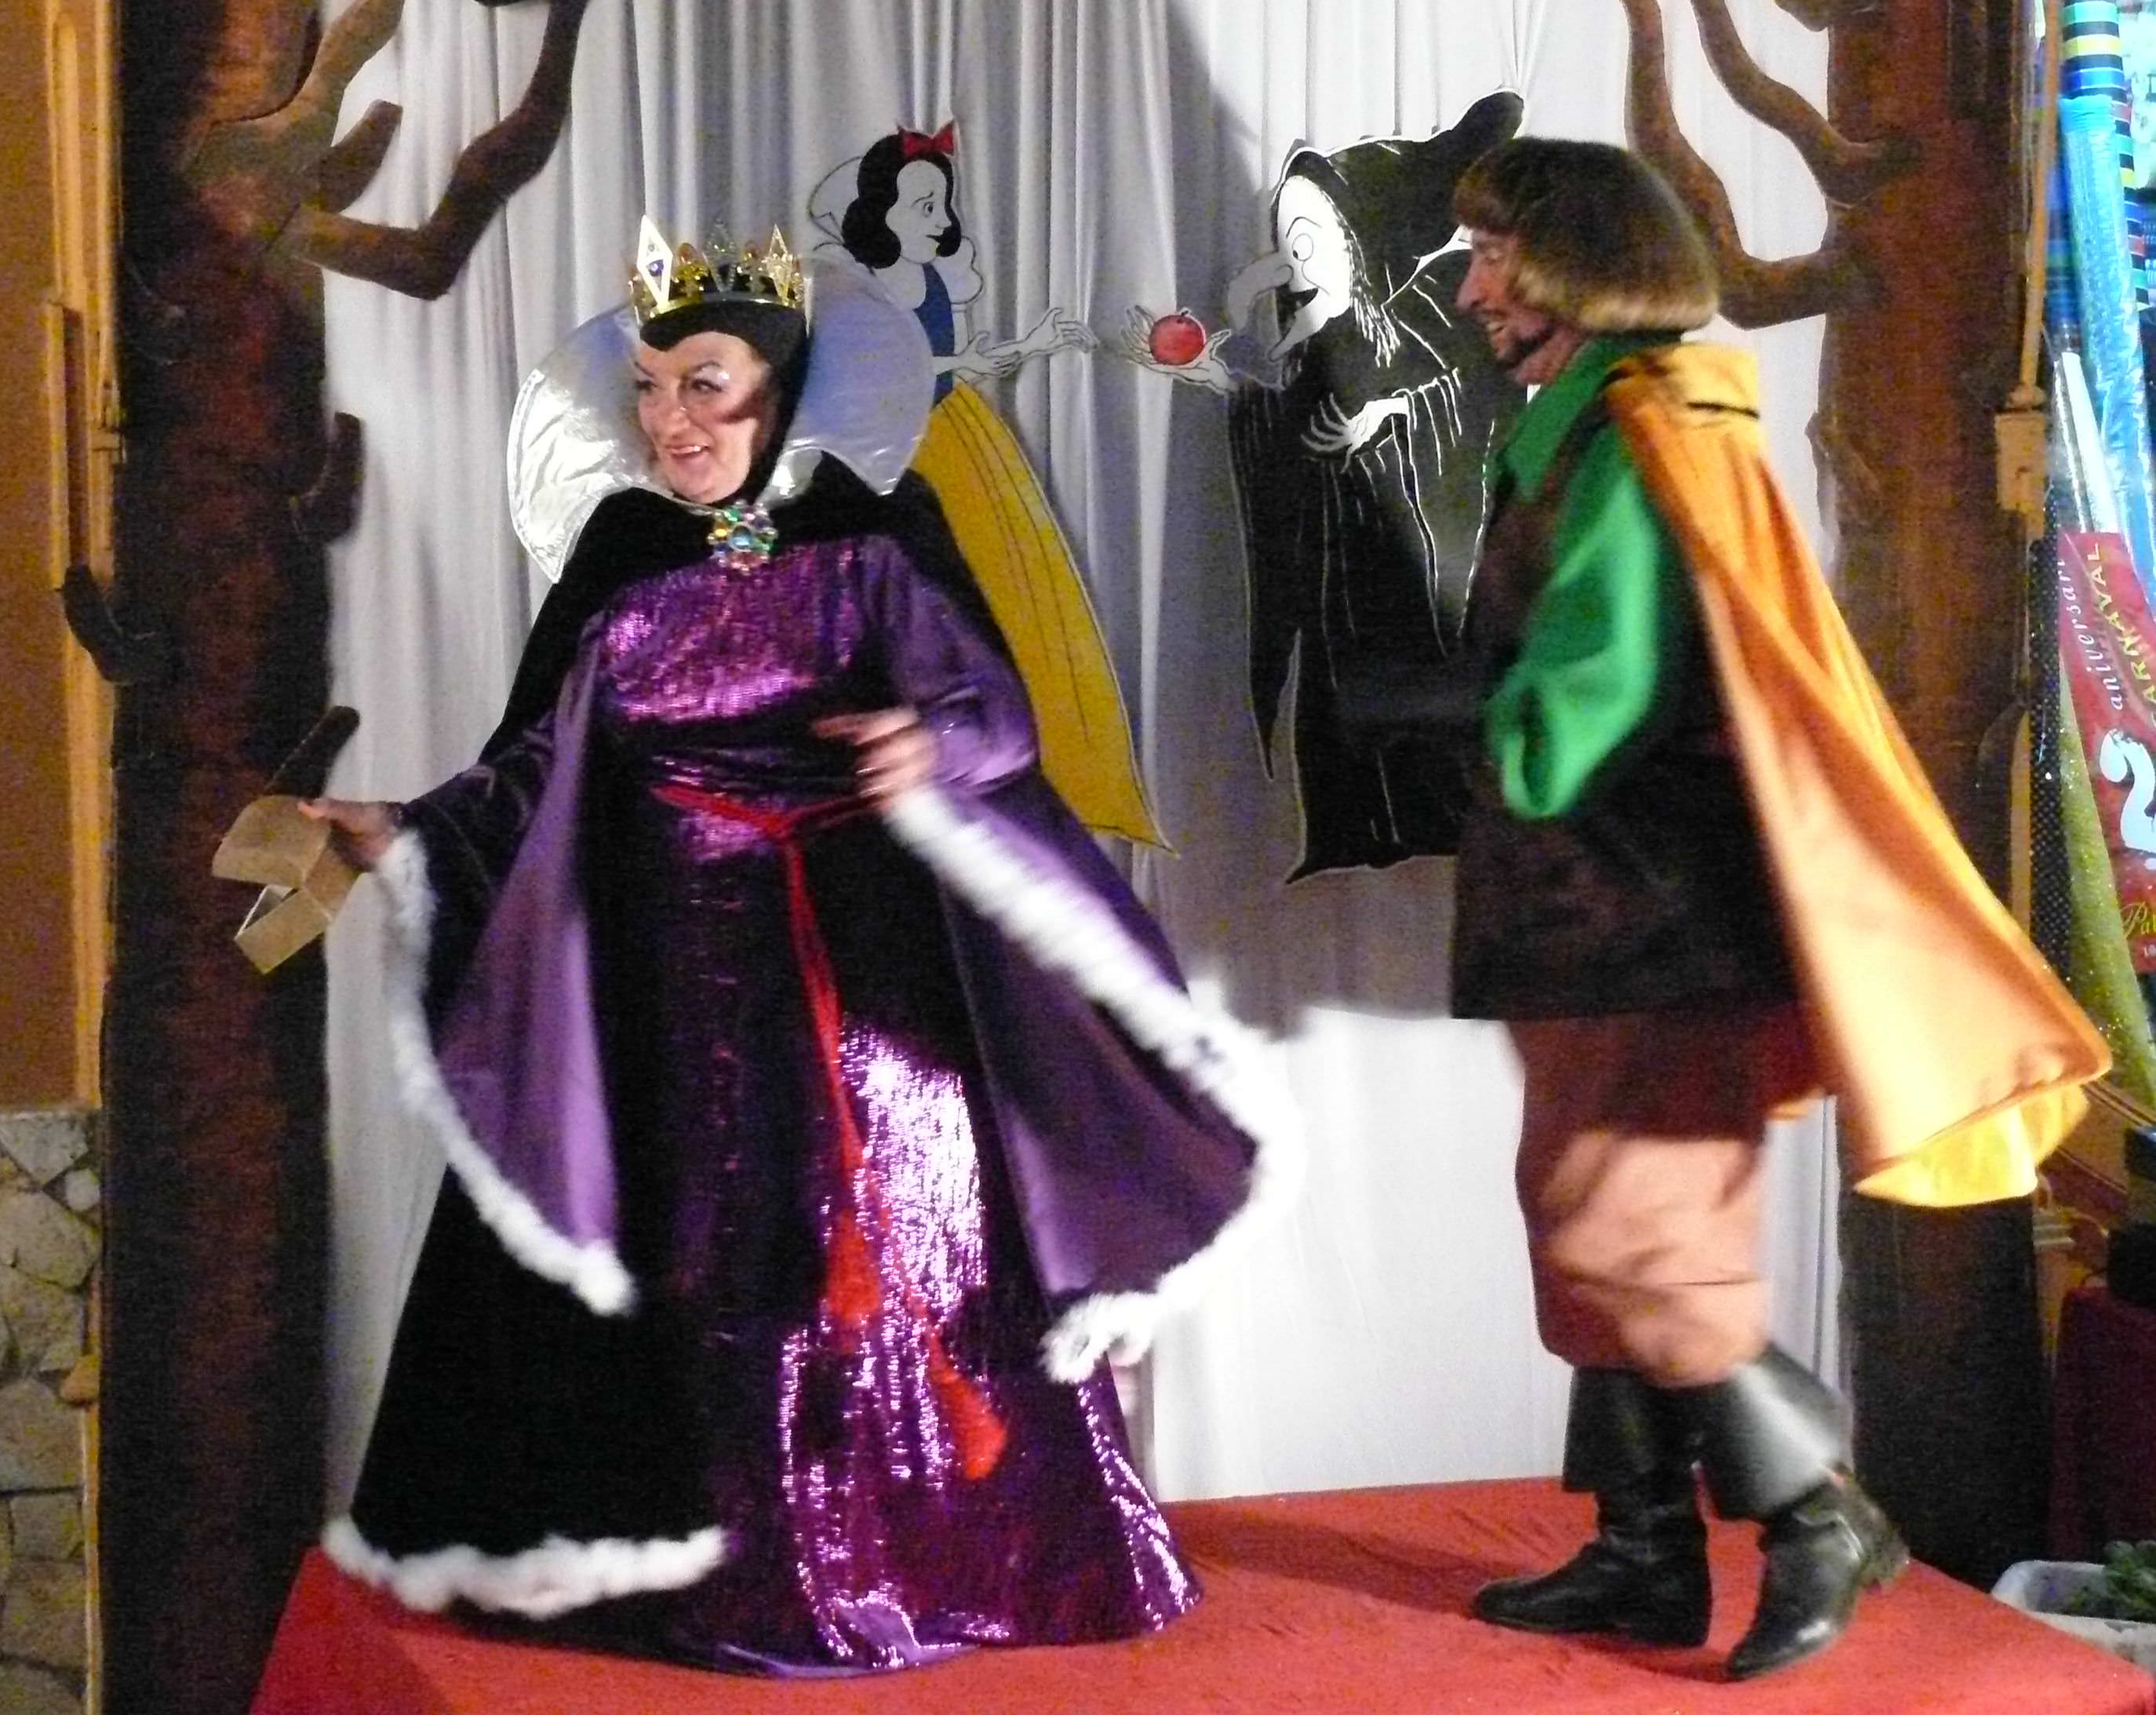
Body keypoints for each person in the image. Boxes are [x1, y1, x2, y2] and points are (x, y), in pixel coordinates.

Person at [303, 216, 1296, 1675]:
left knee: (867, 1236)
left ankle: (916, 1557)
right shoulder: (622, 547)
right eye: (651, 391)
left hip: (860, 968)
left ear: (782, 391)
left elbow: (995, 710)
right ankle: (704, 1574)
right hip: (663, 976)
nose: (671, 423)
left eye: (704, 387)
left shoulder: (876, 532)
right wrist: (408, 826)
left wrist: (930, 742)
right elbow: (536, 760)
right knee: (685, 1251)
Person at [1440, 139, 2108, 1679]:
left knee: (1640, 1238)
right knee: (1596, 1224)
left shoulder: (1644, 430)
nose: (1473, 290)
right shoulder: (1593, 423)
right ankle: (1643, 1549)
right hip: (1598, 920)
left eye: (1494, 256)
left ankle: (1818, 1513)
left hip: (1647, 918)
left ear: (1577, 265)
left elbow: (1591, 686)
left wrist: (1479, 734)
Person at [1120, 93, 1524, 876]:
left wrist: (1388, 413)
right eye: (1286, 243)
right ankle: (1358, 827)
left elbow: (1474, 399)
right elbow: (1279, 432)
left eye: (1310, 238)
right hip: (1342, 586)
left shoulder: (1437, 302)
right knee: (1346, 715)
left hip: (1419, 576)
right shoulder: (1305, 344)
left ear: (1352, 240)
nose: (1294, 259)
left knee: (1425, 719)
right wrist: (1214, 375)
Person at [807, 126, 1163, 847]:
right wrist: (1019, 348)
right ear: (881, 213)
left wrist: (1028, 345)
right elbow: (913, 356)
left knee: (1006, 599)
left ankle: (1011, 752)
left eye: (940, 203)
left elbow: (953, 357)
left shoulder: (933, 276)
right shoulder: (886, 286)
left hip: (955, 429)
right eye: (919, 205)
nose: (937, 219)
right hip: (912, 439)